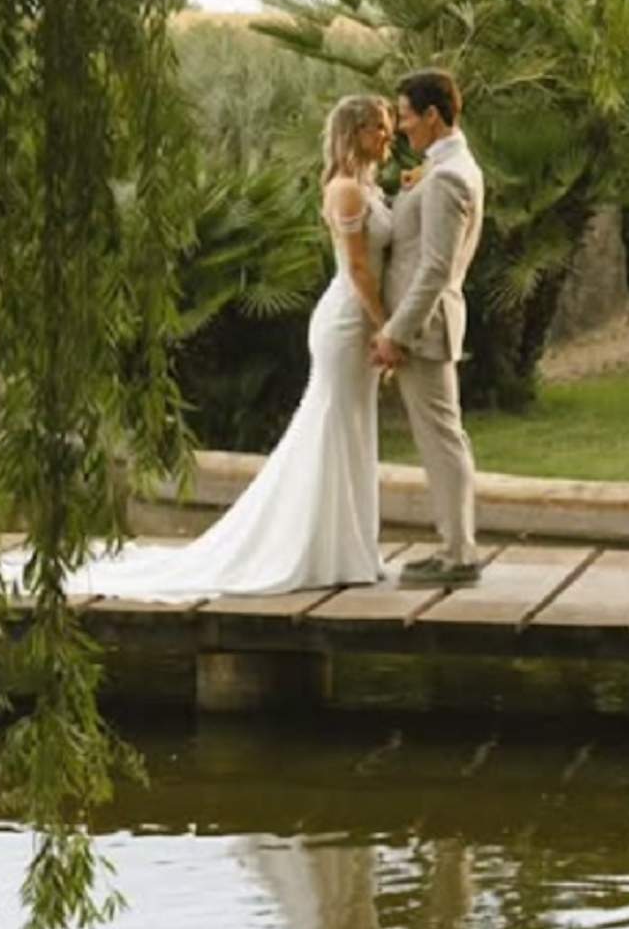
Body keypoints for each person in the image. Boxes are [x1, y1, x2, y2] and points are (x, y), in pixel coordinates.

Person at [66, 92, 396, 600]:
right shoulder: (347, 191)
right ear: (354, 134)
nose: (388, 134)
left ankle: (350, 547)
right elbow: (356, 269)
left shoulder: (368, 189)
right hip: (349, 321)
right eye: (378, 126)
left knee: (353, 429)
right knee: (333, 427)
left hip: (359, 321)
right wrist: (387, 328)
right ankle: (323, 548)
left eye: (390, 124)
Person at [372, 68, 486, 588]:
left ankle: (459, 553)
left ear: (433, 116)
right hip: (425, 325)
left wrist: (396, 331)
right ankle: (453, 546)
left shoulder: (449, 176)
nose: (399, 126)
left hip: (426, 328)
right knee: (442, 436)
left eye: (405, 115)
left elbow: (436, 267)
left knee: (442, 439)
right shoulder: (441, 168)